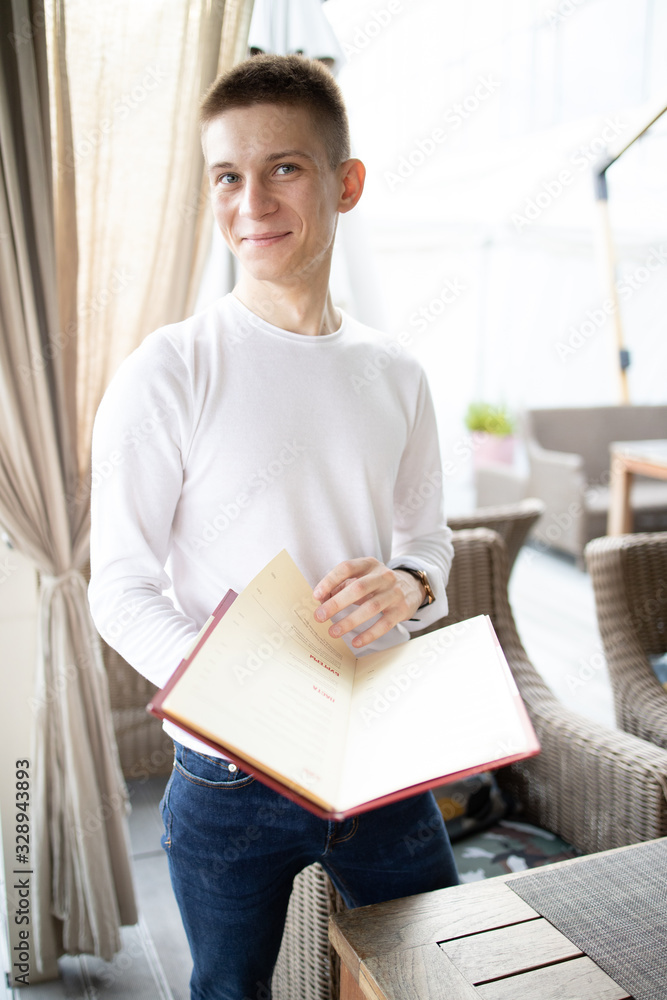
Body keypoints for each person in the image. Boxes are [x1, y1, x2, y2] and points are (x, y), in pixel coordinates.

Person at [88, 53, 458, 1000]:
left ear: (347, 183)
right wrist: (242, 698)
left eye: (283, 168)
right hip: (227, 777)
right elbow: (119, 589)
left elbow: (428, 543)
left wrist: (410, 584)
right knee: (228, 991)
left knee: (432, 978)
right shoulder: (167, 371)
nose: (250, 201)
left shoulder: (397, 372)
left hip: (379, 750)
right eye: (226, 175)